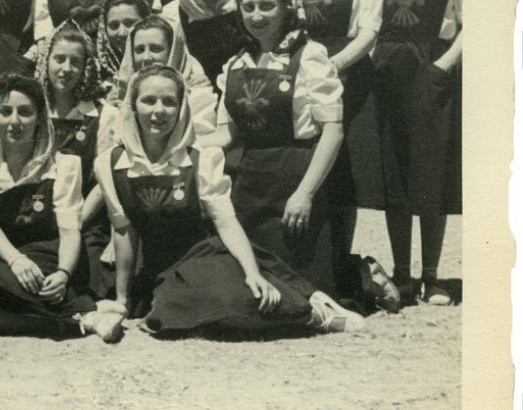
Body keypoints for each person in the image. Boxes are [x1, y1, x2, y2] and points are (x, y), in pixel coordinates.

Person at [96, 65, 367, 336]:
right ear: (133, 105)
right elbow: (123, 232)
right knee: (168, 314)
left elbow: (225, 223)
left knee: (237, 296)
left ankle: (312, 314)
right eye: (148, 100)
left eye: (169, 102)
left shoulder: (200, 159)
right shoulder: (110, 164)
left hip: (202, 256)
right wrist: (122, 297)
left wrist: (252, 272)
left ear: (181, 109)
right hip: (157, 267)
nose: (158, 111)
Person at [211, 0, 399, 313]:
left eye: (267, 6)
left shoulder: (309, 56)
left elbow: (333, 129)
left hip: (294, 179)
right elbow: (228, 134)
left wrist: (305, 194)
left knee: (301, 296)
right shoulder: (234, 63)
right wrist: (187, 149)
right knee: (247, 292)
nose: (256, 16)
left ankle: (362, 275)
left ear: (286, 8)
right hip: (251, 183)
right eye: (248, 7)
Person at [0, 75, 124, 342]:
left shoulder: (62, 165)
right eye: (6, 111)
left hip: (50, 251)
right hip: (5, 252)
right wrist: (16, 260)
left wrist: (63, 273)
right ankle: (85, 317)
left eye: (25, 112)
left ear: (39, 117)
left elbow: (70, 231)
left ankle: (80, 308)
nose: (14, 121)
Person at [280, 0, 388, 286]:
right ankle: (302, 266)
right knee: (299, 167)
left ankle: (339, 269)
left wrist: (328, 68)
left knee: (343, 177)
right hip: (292, 79)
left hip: (347, 79)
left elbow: (369, 31)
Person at [374, 0, 462, 305]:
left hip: (432, 76)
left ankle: (432, 276)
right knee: (396, 175)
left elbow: (472, 23)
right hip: (389, 78)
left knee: (432, 171)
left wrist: (443, 67)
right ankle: (401, 273)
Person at [34, 21, 121, 298]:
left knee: (91, 282)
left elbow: (104, 181)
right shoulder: (32, 108)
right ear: (46, 61)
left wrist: (75, 220)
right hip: (37, 213)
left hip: (85, 218)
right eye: (59, 59)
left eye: (75, 62)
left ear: (87, 67)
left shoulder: (103, 116)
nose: (66, 69)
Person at [112, 14, 218, 139]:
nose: (146, 58)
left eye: (155, 49)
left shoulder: (197, 95)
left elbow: (200, 142)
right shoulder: (123, 96)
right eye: (139, 50)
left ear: (173, 52)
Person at [95, 0, 153, 97]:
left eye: (130, 23)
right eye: (114, 25)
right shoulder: (97, 75)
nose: (122, 33)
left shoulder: (170, 61)